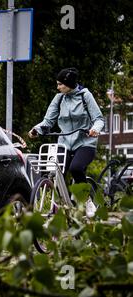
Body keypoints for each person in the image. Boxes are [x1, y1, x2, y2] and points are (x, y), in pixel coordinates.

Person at [28, 67, 105, 218]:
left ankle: (87, 200)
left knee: (76, 168)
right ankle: (64, 203)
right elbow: (48, 121)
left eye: (60, 84)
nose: (58, 87)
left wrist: (95, 129)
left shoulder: (85, 96)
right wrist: (36, 130)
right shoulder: (59, 99)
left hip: (85, 142)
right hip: (64, 143)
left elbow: (98, 119)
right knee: (54, 171)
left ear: (68, 83)